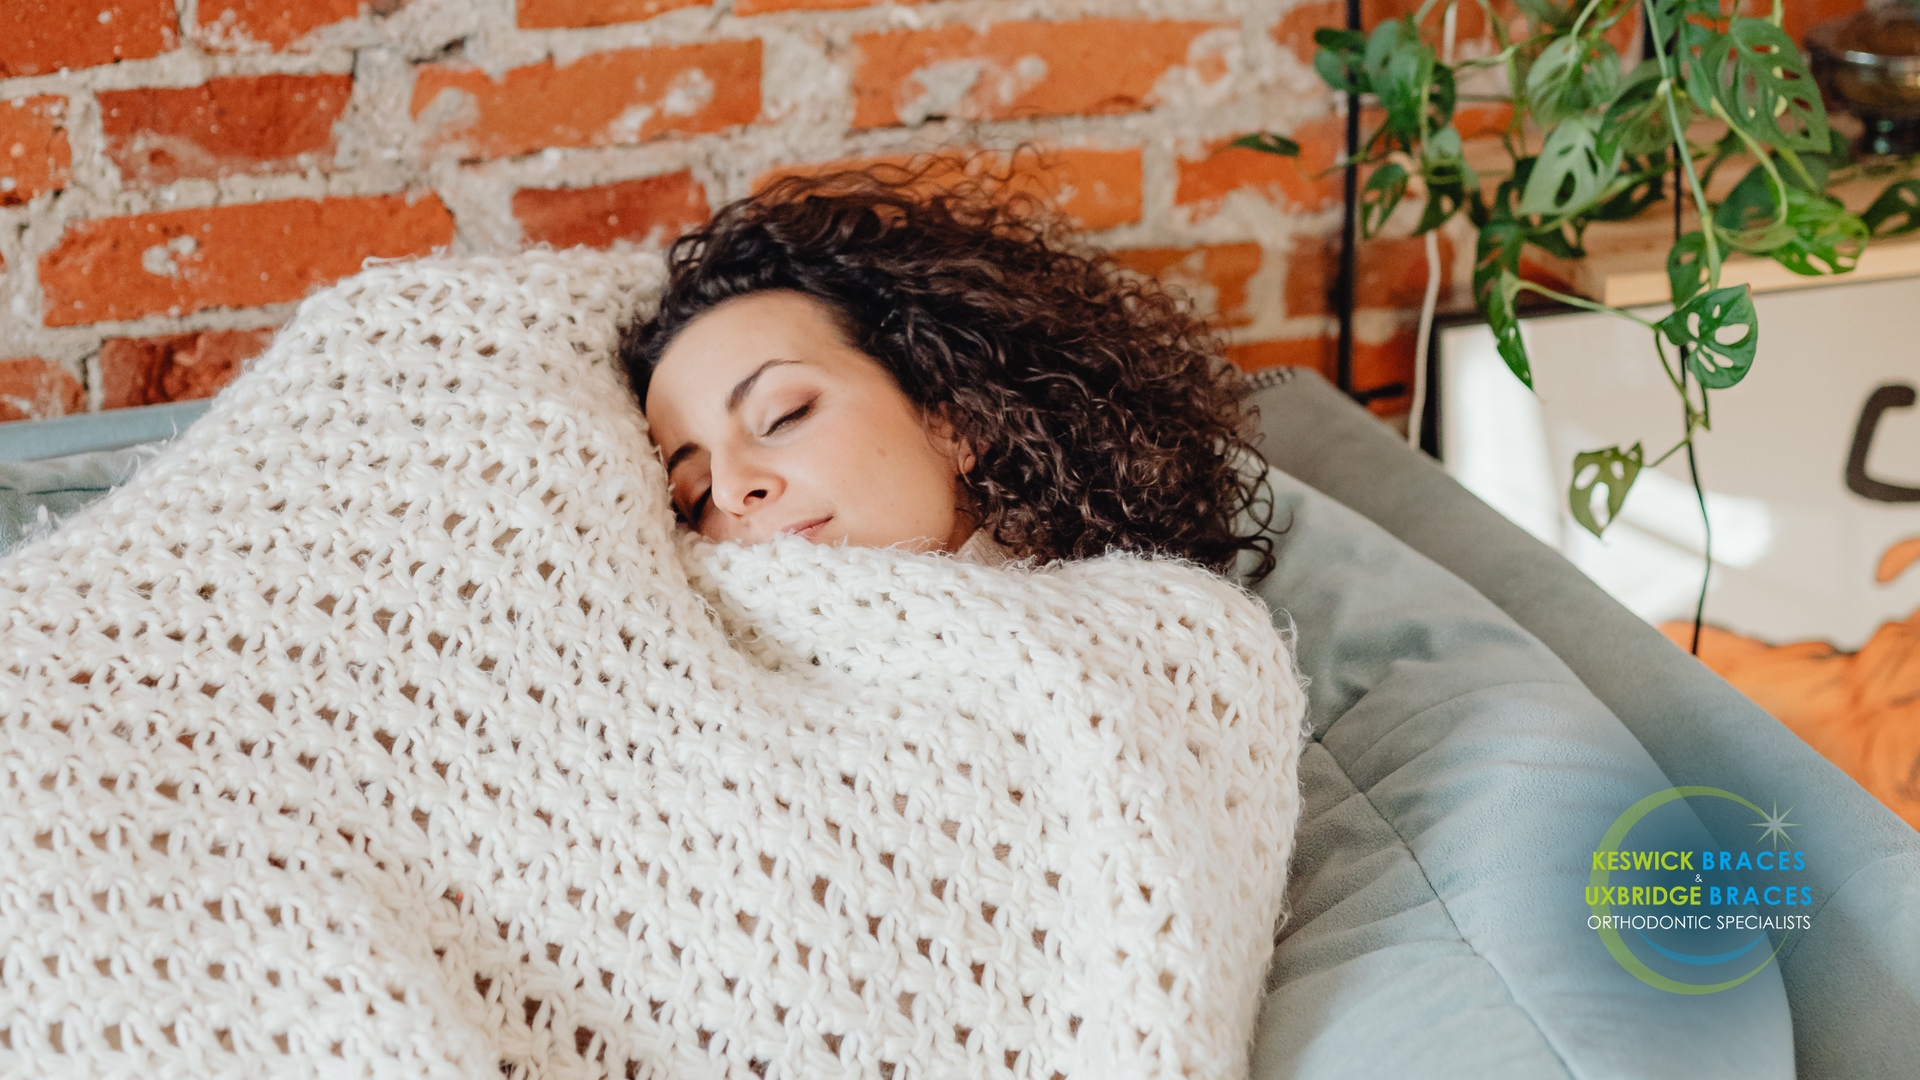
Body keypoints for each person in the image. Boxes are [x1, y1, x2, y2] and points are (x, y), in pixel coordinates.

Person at [619, 159, 1275, 578]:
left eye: (783, 416)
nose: (733, 490)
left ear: (956, 419)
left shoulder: (1155, 626)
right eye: (697, 494)